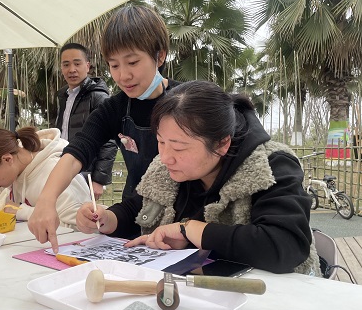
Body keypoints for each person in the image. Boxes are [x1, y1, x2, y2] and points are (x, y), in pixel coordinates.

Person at [76, 80, 321, 275]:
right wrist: (108, 218)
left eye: (179, 148)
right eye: (161, 142)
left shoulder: (270, 165)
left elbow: (285, 245)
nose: (166, 157)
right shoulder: (165, 166)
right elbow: (139, 207)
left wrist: (189, 230)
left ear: (222, 143)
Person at [29, 5, 181, 252]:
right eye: (114, 65)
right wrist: (46, 201)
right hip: (135, 217)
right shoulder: (115, 109)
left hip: (185, 223)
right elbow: (78, 151)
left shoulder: (186, 101)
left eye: (132, 62)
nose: (123, 76)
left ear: (160, 56)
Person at [0, 124, 91, 228]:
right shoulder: (16, 168)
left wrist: (22, 212)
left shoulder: (56, 172)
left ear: (7, 159)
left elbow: (80, 228)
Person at [56, 42, 117, 200]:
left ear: (87, 66)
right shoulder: (64, 97)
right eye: (66, 64)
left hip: (86, 173)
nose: (72, 70)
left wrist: (99, 180)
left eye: (77, 63)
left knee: (85, 219)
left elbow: (109, 141)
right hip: (64, 169)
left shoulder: (98, 96)